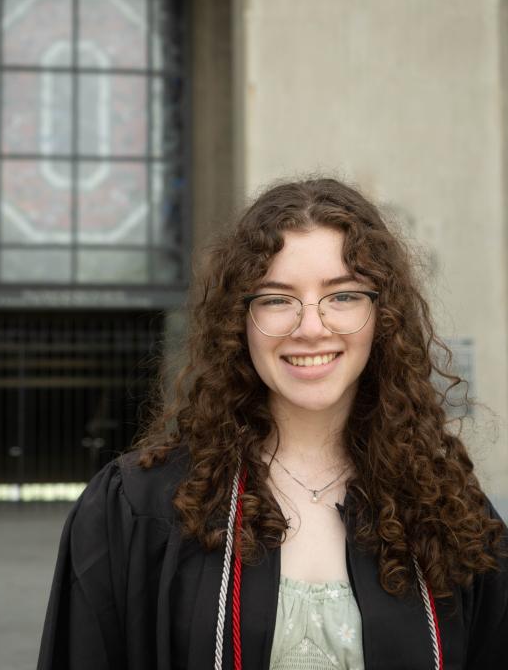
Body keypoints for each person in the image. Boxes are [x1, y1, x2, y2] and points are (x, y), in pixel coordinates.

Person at [37, 177, 508, 670]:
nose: (310, 328)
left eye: (343, 296)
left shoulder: (445, 511)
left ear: (382, 317)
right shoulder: (139, 507)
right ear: (237, 322)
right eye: (277, 299)